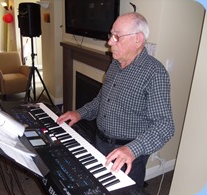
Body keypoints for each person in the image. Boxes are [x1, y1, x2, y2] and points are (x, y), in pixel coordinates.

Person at [57, 12, 175, 187]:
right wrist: (79, 113)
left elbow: (165, 125)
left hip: (127, 155)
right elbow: (102, 100)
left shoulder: (154, 73)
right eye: (110, 35)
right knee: (96, 186)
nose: (109, 42)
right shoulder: (115, 64)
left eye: (117, 36)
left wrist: (131, 149)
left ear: (138, 39)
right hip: (99, 141)